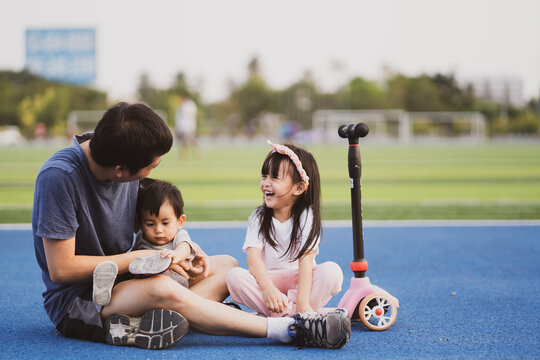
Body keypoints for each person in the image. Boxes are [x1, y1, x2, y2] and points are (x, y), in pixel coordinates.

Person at [32, 102, 351, 351]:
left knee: (225, 265)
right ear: (120, 171)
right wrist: (138, 262)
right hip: (80, 303)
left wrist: (182, 253)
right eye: (151, 165)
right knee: (163, 289)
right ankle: (291, 328)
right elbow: (61, 269)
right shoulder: (60, 178)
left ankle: (155, 321)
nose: (155, 168)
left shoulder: (122, 149)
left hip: (126, 282)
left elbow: (161, 223)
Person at [227, 141, 343, 317]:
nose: (266, 183)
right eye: (264, 176)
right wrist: (268, 290)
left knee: (332, 272)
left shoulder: (306, 216)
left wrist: (303, 303)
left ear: (298, 187)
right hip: (269, 279)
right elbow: (253, 259)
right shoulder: (258, 217)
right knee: (234, 276)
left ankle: (291, 313)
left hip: (300, 281)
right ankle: (297, 316)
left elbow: (306, 261)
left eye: (274, 178)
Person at [93, 179, 201, 307]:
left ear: (180, 221)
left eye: (165, 223)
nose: (158, 230)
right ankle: (108, 287)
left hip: (174, 279)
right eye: (150, 224)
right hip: (143, 281)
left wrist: (175, 255)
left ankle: (120, 286)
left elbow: (185, 247)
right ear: (141, 223)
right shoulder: (142, 237)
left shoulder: (179, 235)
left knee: (166, 281)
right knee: (129, 278)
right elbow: (134, 256)